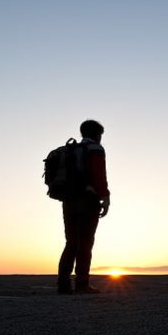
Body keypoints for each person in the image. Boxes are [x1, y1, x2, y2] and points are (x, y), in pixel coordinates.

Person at [57, 119, 110, 295]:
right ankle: (82, 284)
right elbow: (99, 175)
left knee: (71, 242)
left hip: (69, 200)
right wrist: (105, 197)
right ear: (97, 134)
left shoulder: (72, 150)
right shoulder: (95, 149)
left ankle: (63, 285)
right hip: (88, 200)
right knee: (85, 242)